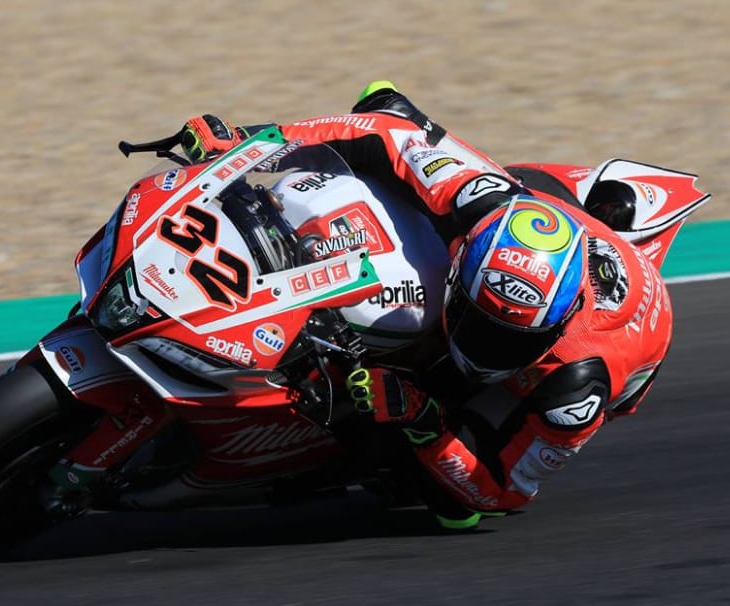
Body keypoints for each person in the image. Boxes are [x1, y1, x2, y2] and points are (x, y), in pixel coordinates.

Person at [178, 81, 673, 530]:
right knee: (387, 107)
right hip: (544, 208)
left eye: (506, 340)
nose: (483, 348)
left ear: (557, 325)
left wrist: (423, 420)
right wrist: (250, 144)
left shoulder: (577, 388)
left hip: (615, 349)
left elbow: (503, 492)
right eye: (478, 323)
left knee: (449, 505)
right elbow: (387, 130)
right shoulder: (480, 207)